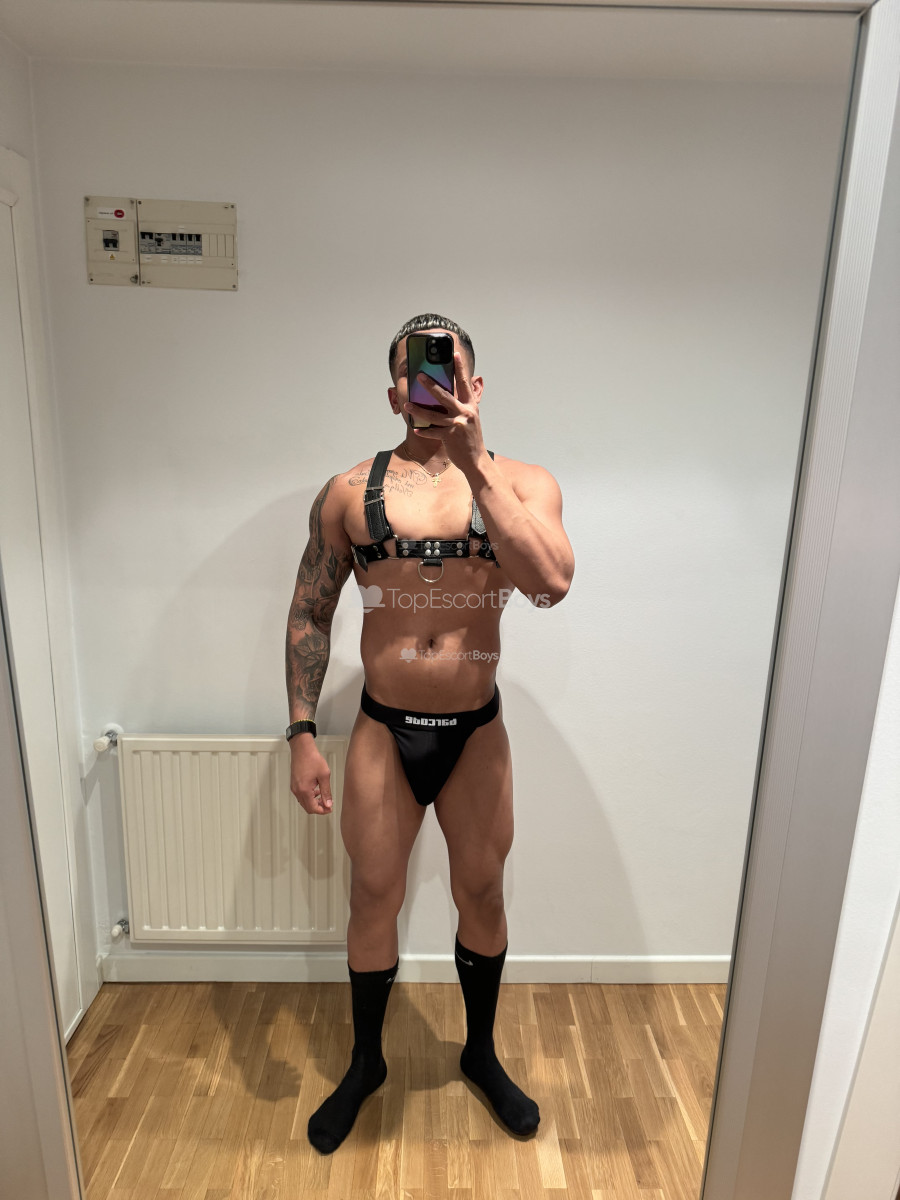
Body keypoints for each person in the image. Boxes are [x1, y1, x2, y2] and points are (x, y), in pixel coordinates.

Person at [285, 313, 574, 1155]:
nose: (433, 391)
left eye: (448, 375)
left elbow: (551, 583)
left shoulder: (523, 484)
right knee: (372, 897)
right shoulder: (349, 493)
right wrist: (302, 732)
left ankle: (479, 1052)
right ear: (393, 396)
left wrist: (476, 461)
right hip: (384, 730)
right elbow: (310, 611)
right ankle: (366, 1061)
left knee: (481, 894)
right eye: (419, 377)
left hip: (474, 733)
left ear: (474, 387)